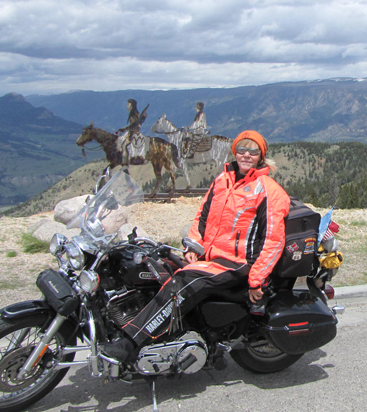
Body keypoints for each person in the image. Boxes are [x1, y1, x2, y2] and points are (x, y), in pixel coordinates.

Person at [101, 130, 290, 362]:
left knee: (185, 283)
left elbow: (273, 240)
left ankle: (130, 342)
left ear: (261, 155)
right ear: (235, 151)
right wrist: (193, 247)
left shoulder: (269, 190)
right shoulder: (223, 180)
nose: (246, 155)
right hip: (210, 257)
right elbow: (202, 217)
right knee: (155, 265)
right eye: (242, 149)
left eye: (253, 151)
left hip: (238, 262)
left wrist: (257, 279)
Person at [118, 98, 148, 168]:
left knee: (125, 146)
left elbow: (134, 124)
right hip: (133, 132)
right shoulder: (135, 114)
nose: (127, 106)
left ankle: (125, 163)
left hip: (133, 133)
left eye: (128, 105)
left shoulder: (134, 115)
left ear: (132, 106)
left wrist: (125, 129)